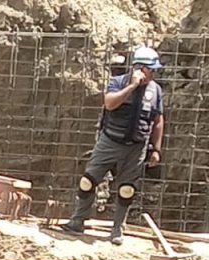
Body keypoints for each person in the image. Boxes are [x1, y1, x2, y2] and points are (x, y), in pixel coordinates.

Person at [63, 46, 165, 245]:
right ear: (139, 68)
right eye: (151, 69)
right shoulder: (118, 83)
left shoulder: (156, 91)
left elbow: (158, 120)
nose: (154, 73)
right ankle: (77, 221)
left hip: (136, 146)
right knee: (89, 180)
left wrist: (156, 149)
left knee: (127, 188)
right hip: (110, 141)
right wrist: (132, 87)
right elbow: (109, 104)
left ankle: (117, 228)